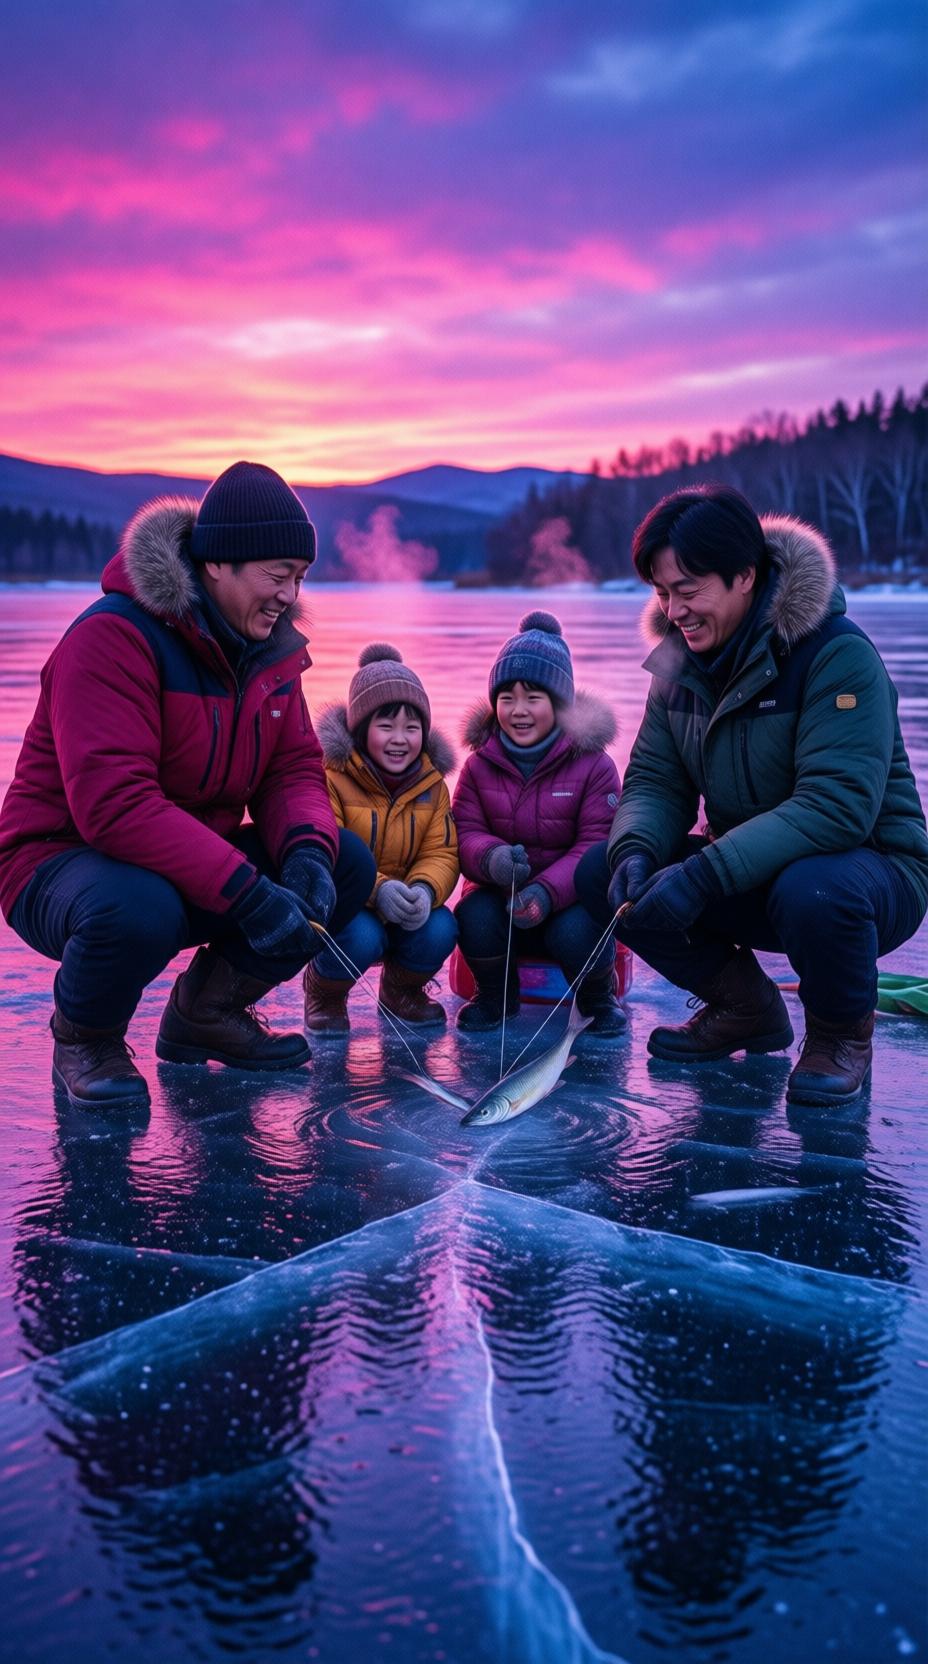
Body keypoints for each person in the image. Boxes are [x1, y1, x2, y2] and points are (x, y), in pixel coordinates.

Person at [0, 461, 375, 1112]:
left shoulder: (270, 656)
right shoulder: (114, 639)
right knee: (139, 907)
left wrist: (308, 855)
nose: (291, 594)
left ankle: (207, 1011)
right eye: (278, 575)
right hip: (54, 865)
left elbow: (291, 771)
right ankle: (84, 1036)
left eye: (300, 577)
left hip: (189, 865)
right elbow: (114, 807)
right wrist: (249, 894)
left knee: (344, 864)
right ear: (218, 565)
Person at [574, 485, 928, 1106]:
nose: (676, 610)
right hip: (750, 873)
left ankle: (840, 1035)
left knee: (815, 886)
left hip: (870, 879)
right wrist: (635, 851)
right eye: (662, 593)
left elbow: (836, 807)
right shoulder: (679, 669)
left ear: (745, 575)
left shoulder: (836, 657)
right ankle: (746, 1007)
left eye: (689, 590)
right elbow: (656, 780)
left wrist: (705, 874)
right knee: (603, 873)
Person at [452, 611, 625, 1036]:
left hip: (567, 904)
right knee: (472, 915)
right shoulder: (478, 765)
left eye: (533, 698)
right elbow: (464, 831)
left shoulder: (594, 766)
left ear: (559, 703)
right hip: (503, 900)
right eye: (507, 697)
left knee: (578, 931)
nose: (518, 711)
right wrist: (492, 860)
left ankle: (597, 999)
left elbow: (596, 845)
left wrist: (547, 893)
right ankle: (495, 997)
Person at [304, 644, 459, 1032]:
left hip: (406, 904)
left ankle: (400, 991)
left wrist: (423, 889)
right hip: (350, 905)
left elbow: (442, 850)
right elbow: (332, 850)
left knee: (441, 927)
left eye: (411, 727)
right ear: (361, 729)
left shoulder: (432, 785)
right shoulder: (332, 778)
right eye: (386, 726)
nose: (400, 739)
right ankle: (325, 994)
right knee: (361, 934)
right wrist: (380, 891)